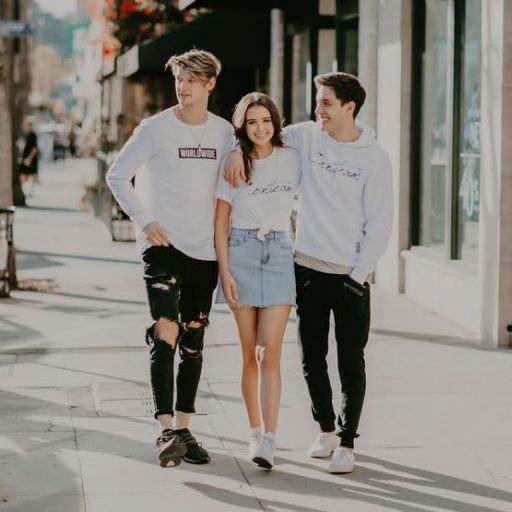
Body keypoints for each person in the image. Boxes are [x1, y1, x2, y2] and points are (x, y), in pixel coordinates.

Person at [224, 72, 393, 474]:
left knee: (350, 360)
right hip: (306, 267)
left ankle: (348, 443)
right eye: (317, 101)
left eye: (325, 103)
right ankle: (326, 429)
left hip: (350, 274)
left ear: (349, 108)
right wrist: (235, 149)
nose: (317, 109)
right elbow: (262, 132)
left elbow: (380, 222)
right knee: (311, 356)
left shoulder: (374, 157)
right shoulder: (307, 136)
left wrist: (359, 274)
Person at [106, 49, 234, 468]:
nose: (184, 86)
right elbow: (116, 174)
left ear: (210, 84)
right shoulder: (154, 129)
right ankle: (164, 427)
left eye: (193, 79)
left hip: (205, 251)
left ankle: (183, 427)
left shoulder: (223, 134)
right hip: (162, 249)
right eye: (180, 78)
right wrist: (145, 220)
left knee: (193, 339)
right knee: (165, 331)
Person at [215, 92, 300, 469]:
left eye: (266, 120)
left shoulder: (292, 156)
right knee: (249, 352)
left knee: (271, 351)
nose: (260, 128)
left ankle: (270, 438)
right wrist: (225, 271)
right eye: (251, 122)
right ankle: (253, 431)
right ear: (242, 127)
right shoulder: (234, 164)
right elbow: (220, 224)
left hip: (279, 250)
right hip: (242, 250)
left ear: (276, 122)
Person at [18, 119, 39, 196]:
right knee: (23, 174)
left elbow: (34, 149)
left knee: (31, 174)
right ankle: (25, 190)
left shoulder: (33, 135)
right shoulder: (25, 135)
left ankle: (31, 191)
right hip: (24, 157)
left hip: (30, 159)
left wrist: (29, 158)